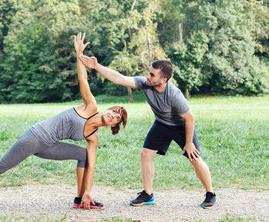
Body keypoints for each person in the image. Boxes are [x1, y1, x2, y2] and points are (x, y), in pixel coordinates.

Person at [0, 33, 127, 211]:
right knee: (0, 167)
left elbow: (91, 166)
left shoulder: (93, 138)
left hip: (49, 146)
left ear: (114, 126)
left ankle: (80, 199)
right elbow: (83, 79)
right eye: (113, 111)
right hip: (35, 137)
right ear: (107, 109)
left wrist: (88, 192)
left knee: (84, 155)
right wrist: (79, 55)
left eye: (117, 118)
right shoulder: (91, 107)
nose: (113, 115)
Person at [79, 54, 216, 209]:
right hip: (162, 124)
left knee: (195, 158)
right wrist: (96, 66)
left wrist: (189, 143)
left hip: (181, 126)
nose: (147, 76)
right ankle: (148, 194)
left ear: (164, 79)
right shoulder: (146, 84)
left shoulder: (174, 95)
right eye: (149, 72)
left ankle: (211, 194)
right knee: (145, 153)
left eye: (152, 74)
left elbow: (189, 118)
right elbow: (119, 78)